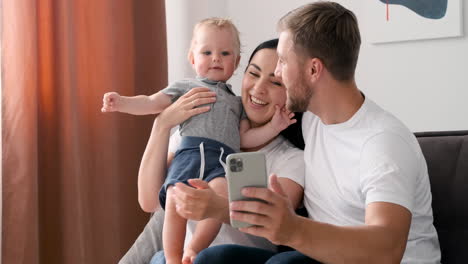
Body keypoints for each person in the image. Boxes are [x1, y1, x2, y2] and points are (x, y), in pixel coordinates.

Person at [174, 2, 441, 264]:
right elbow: (243, 114)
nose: (277, 72)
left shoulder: (382, 143)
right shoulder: (311, 120)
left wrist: (292, 228)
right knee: (217, 258)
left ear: (313, 69)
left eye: (282, 62)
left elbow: (386, 251)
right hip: (323, 257)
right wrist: (168, 121)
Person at [102, 18, 296, 264]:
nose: (216, 58)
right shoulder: (187, 94)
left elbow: (245, 137)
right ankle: (175, 258)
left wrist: (274, 126)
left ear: (234, 62)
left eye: (225, 53)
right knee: (172, 202)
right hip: (190, 156)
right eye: (254, 74)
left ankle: (193, 249)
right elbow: (150, 201)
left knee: (220, 197)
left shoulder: (239, 112)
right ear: (192, 58)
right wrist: (141, 112)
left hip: (221, 169)